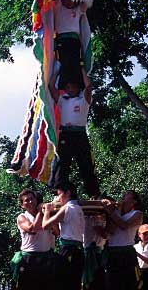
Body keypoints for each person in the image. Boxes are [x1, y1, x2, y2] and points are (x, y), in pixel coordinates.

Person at [49, 65, 100, 198]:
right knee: (62, 163)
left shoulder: (84, 100)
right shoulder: (62, 100)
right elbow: (51, 86)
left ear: (77, 88)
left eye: (72, 86)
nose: (68, 88)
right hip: (65, 133)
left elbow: (88, 87)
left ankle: (93, 193)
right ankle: (58, 192)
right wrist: (57, 71)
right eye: (67, 86)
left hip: (80, 134)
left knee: (86, 163)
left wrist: (82, 68)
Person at [10, 189, 59, 290]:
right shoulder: (22, 217)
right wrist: (41, 212)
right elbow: (32, 229)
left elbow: (57, 232)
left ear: (36, 200)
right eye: (27, 200)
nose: (30, 202)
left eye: (32, 199)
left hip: (46, 259)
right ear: (22, 205)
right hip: (29, 259)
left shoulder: (46, 215)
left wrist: (48, 214)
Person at [42, 182, 85, 290]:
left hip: (68, 250)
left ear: (68, 193)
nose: (58, 198)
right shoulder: (79, 208)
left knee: (63, 283)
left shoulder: (67, 208)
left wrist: (47, 211)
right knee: (74, 282)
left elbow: (45, 225)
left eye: (59, 194)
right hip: (78, 250)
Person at [101, 190, 144, 290]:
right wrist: (116, 211)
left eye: (128, 194)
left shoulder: (137, 214)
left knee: (131, 283)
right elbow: (110, 231)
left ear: (134, 201)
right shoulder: (116, 212)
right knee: (113, 284)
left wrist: (111, 212)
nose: (124, 195)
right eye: (123, 194)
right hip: (113, 252)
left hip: (127, 252)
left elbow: (124, 226)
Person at [54, 0, 87, 89]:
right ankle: (63, 86)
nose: (69, 2)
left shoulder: (77, 10)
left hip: (75, 41)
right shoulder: (59, 7)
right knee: (64, 63)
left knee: (76, 63)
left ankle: (79, 85)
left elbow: (86, 1)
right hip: (62, 40)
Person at [82, 213, 108, 290]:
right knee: (92, 281)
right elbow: (104, 234)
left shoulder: (103, 220)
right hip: (91, 253)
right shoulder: (89, 218)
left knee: (98, 280)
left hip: (99, 252)